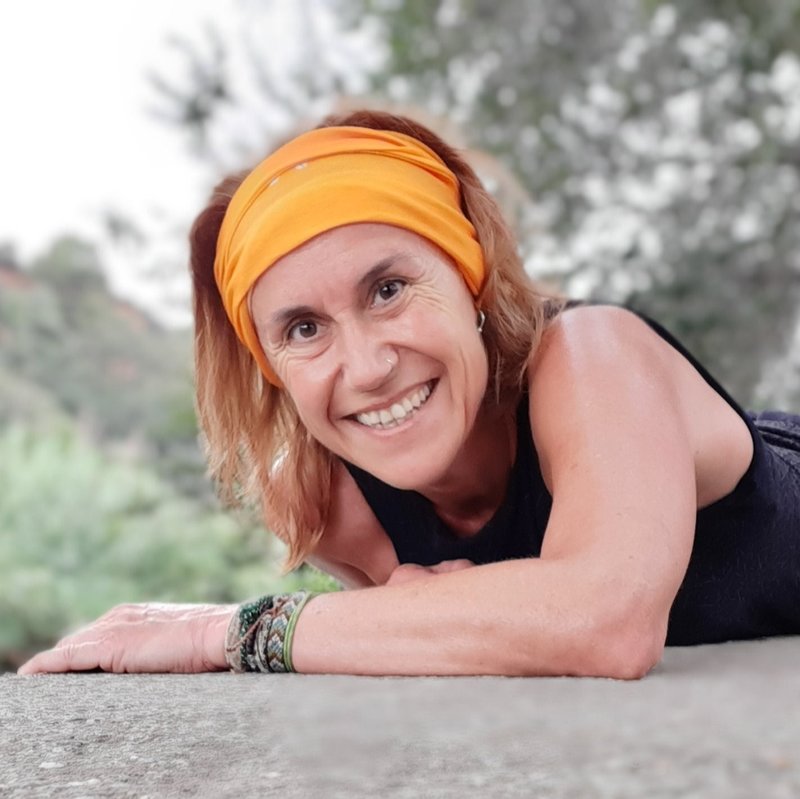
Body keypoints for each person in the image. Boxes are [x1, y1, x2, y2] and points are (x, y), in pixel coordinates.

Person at [18, 109, 800, 680]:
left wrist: (229, 630)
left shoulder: (595, 352)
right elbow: (451, 642)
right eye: (303, 329)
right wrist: (419, 613)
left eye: (388, 289)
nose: (365, 368)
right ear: (273, 366)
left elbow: (604, 621)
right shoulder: (328, 505)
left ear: (470, 277)